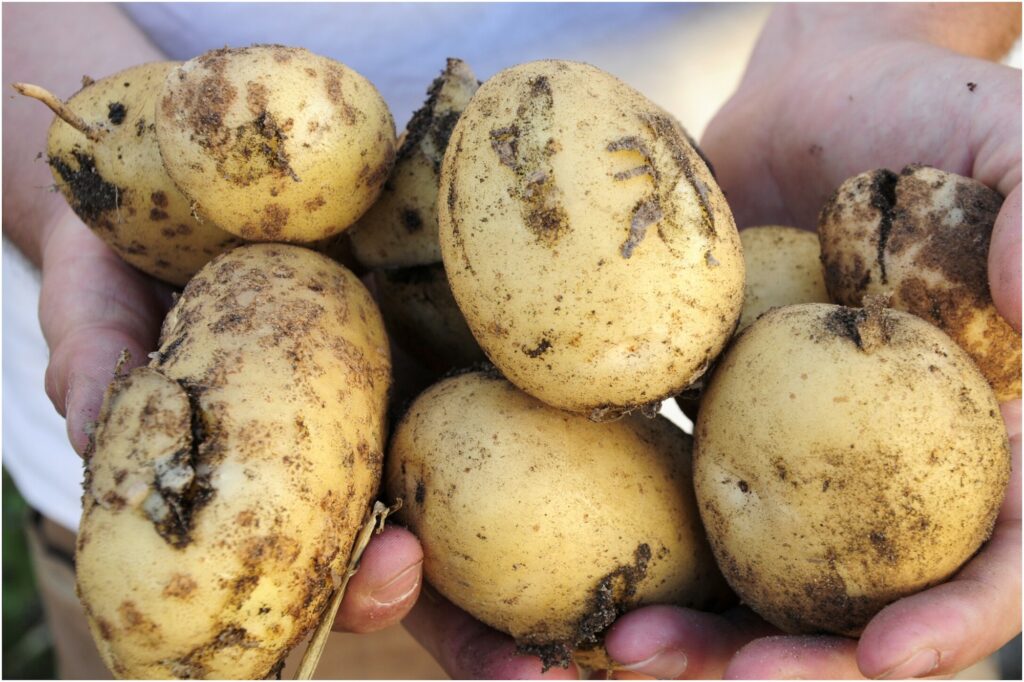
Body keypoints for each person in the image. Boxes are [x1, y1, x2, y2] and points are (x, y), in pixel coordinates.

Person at [2, 2, 1019, 679]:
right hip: (266, 420)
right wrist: (62, 200)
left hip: (743, 140)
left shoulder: (707, 323)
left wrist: (883, 29)